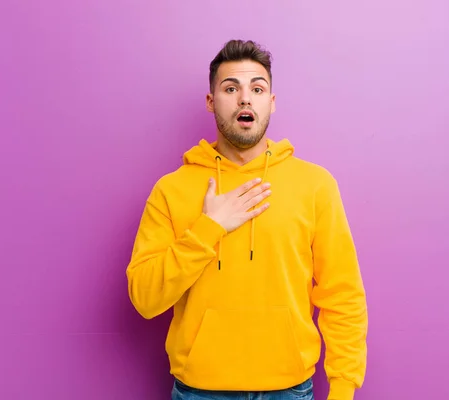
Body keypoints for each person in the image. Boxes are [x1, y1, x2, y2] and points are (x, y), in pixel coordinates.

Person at [126, 39, 368, 400]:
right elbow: (145, 298)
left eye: (257, 88)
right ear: (211, 102)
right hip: (199, 392)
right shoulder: (171, 189)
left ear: (270, 102)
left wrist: (343, 388)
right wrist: (209, 228)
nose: (244, 98)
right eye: (230, 88)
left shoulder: (315, 185)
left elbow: (342, 294)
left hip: (288, 390)